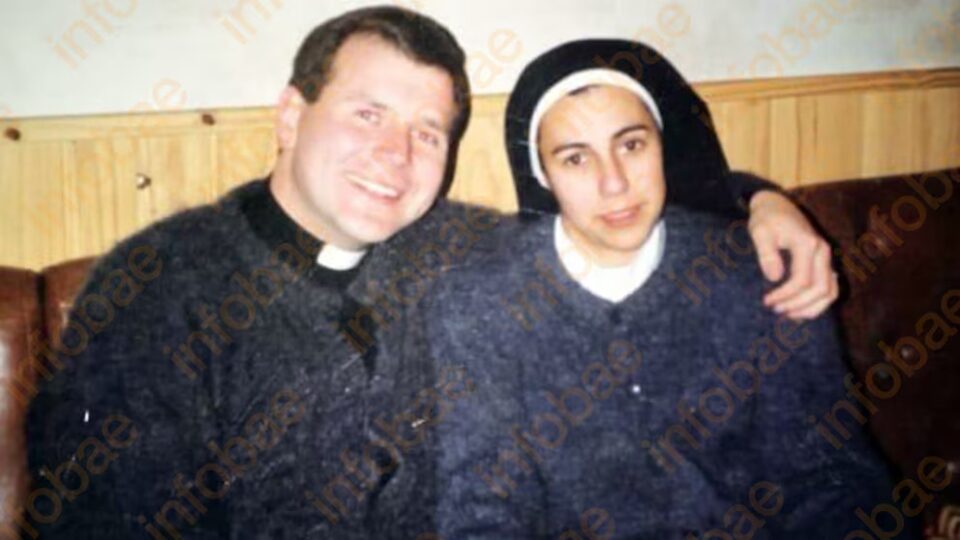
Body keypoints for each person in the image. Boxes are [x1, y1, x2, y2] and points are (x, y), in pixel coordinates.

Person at [24, 7, 836, 539]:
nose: (394, 156)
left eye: (426, 132)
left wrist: (755, 203)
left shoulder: (459, 249)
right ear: (290, 116)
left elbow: (603, 216)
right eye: (367, 115)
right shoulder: (156, 289)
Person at [425, 39, 898, 538]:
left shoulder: (763, 272)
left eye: (631, 145)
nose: (614, 184)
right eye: (576, 159)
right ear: (542, 173)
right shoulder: (482, 303)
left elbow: (829, 478)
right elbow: (482, 507)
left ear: (663, 145)